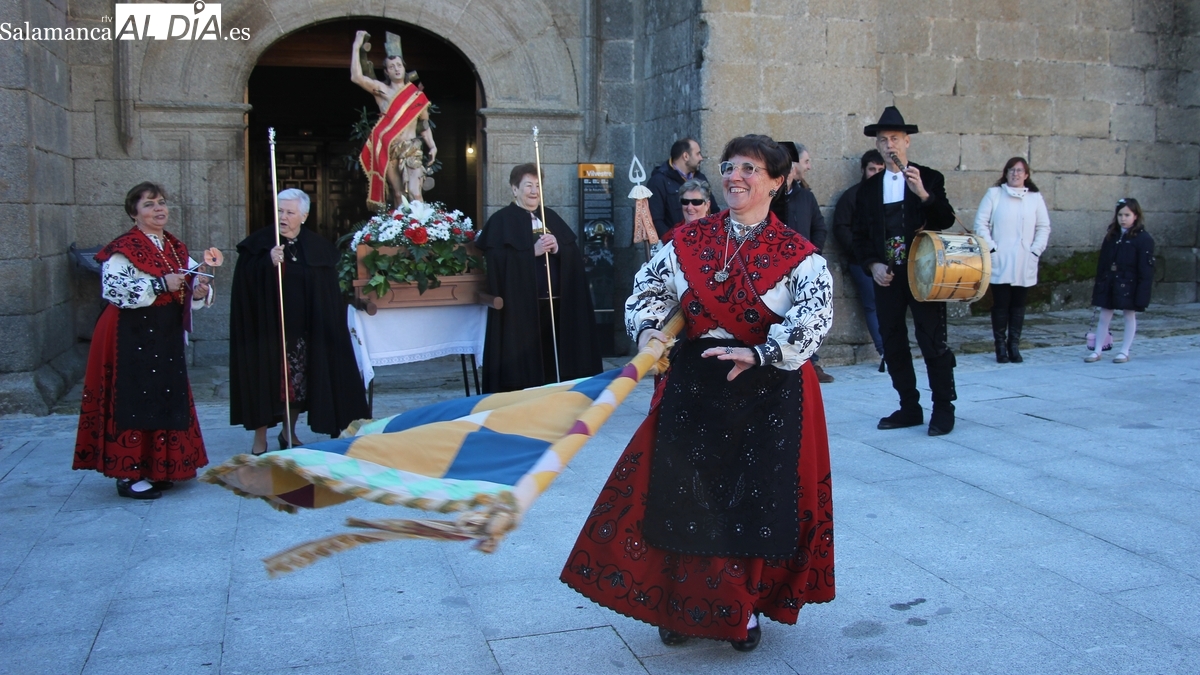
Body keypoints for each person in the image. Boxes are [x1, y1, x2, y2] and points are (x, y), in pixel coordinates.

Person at [561, 135, 835, 652]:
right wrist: (647, 332)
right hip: (694, 386)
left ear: (778, 182)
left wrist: (760, 354)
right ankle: (680, 606)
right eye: (730, 166)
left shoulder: (800, 255)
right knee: (683, 500)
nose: (735, 176)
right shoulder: (688, 240)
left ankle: (742, 609)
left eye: (750, 169)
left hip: (767, 392)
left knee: (749, 506)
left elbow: (815, 315)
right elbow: (649, 290)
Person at [73, 182, 214, 500]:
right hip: (129, 334)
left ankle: (157, 468)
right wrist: (161, 283)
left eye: (161, 202)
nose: (158, 209)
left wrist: (200, 289)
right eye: (149, 204)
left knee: (163, 396)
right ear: (134, 212)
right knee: (133, 399)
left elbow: (190, 285)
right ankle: (128, 473)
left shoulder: (175, 247)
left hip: (163, 337)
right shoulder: (123, 247)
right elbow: (114, 290)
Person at [229, 189, 369, 455]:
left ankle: (288, 432)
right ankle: (260, 440)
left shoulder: (317, 247)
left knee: (297, 386)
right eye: (279, 211)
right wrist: (266, 264)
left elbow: (326, 292)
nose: (283, 217)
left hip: (303, 332)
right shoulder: (257, 245)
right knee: (266, 383)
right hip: (267, 331)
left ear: (303, 216)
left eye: (290, 212)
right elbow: (244, 285)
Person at [852, 106, 958, 436]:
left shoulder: (929, 177)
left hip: (923, 272)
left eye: (895, 139)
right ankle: (909, 407)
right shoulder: (868, 188)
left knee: (932, 341)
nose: (889, 145)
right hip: (889, 276)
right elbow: (859, 235)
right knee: (894, 342)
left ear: (907, 142)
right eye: (883, 140)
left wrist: (923, 195)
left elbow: (946, 219)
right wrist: (873, 264)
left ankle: (943, 408)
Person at [476, 164, 603, 393]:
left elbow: (572, 253)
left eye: (537, 186)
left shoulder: (550, 216)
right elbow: (496, 261)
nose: (534, 191)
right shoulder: (501, 221)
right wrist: (529, 253)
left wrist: (558, 249)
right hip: (522, 309)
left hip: (556, 305)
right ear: (514, 190)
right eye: (528, 186)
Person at [974, 157, 1051, 364]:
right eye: (1011, 170)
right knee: (1001, 303)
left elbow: (1044, 227)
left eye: (1019, 171)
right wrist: (991, 247)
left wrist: (1035, 250)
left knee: (1018, 303)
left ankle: (1013, 345)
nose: (1015, 174)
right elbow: (981, 223)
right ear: (1006, 173)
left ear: (1026, 175)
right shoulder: (995, 194)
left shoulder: (1035, 198)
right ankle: (1000, 346)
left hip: (1025, 259)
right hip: (1001, 258)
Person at [352, 30, 438, 207]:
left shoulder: (416, 96)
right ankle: (402, 232)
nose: (396, 69)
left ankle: (420, 229)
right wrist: (356, 45)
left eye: (399, 65)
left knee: (415, 192)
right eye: (392, 67)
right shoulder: (381, 91)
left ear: (404, 67)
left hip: (412, 148)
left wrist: (432, 145)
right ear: (387, 72)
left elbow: (424, 124)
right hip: (389, 148)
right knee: (398, 195)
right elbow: (356, 77)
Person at [779, 141, 834, 383]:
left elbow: (819, 228)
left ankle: (811, 363)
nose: (809, 167)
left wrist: (813, 254)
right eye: (806, 161)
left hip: (803, 268)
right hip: (775, 269)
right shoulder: (772, 196)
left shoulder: (806, 197)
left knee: (807, 314)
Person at [832, 150, 887, 369]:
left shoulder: (891, 194)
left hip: (889, 262)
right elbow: (841, 227)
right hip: (862, 263)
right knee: (873, 306)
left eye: (880, 170)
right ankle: (885, 352)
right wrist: (860, 253)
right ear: (863, 170)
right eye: (872, 169)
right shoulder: (852, 195)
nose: (875, 173)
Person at [1085, 198, 1155, 364]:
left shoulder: (1143, 239)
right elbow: (1103, 263)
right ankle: (1097, 350)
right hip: (1110, 281)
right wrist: (1100, 284)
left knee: (1129, 315)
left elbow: (1145, 270)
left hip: (1129, 283)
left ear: (1135, 216)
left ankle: (1124, 350)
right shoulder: (1112, 236)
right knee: (1104, 315)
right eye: (1120, 215)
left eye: (1127, 215)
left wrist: (1142, 293)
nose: (1123, 218)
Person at [646, 138, 718, 237]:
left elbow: (714, 211)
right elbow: (656, 220)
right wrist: (674, 241)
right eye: (697, 154)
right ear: (686, 156)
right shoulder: (658, 181)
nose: (701, 158)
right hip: (674, 245)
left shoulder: (700, 178)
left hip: (704, 241)